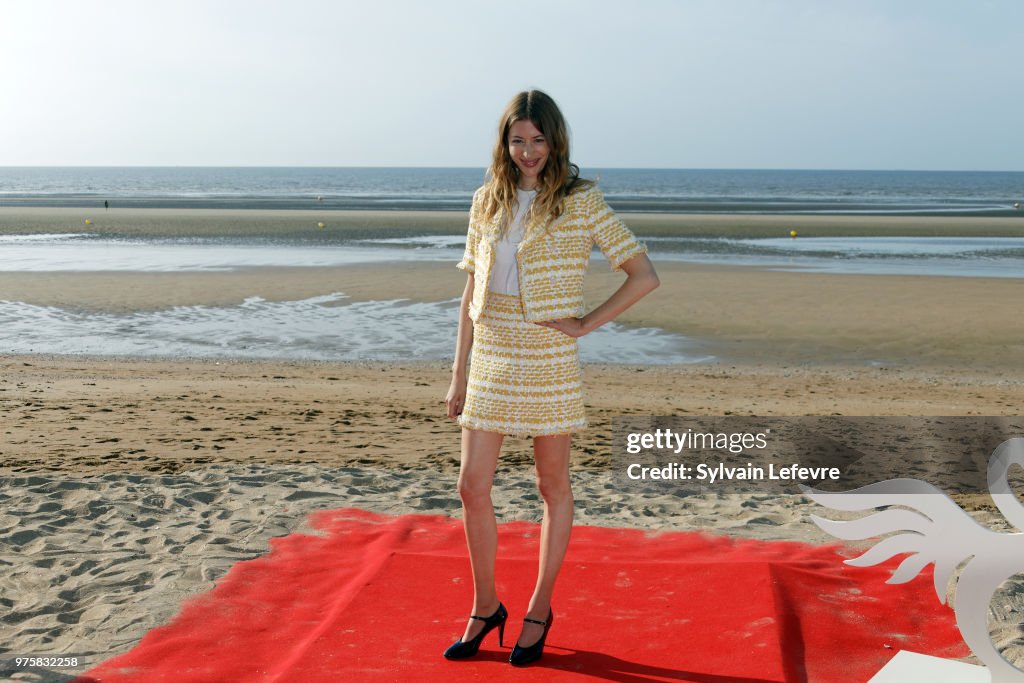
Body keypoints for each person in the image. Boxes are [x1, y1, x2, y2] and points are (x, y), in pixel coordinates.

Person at [443, 90, 659, 666]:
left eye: (538, 140)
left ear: (555, 141)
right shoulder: (486, 200)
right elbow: (469, 292)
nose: (528, 151)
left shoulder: (581, 202)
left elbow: (642, 274)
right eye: (518, 140)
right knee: (472, 486)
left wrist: (585, 323)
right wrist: (458, 373)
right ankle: (486, 606)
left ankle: (539, 607)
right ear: (504, 142)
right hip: (490, 348)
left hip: (547, 352)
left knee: (552, 486)